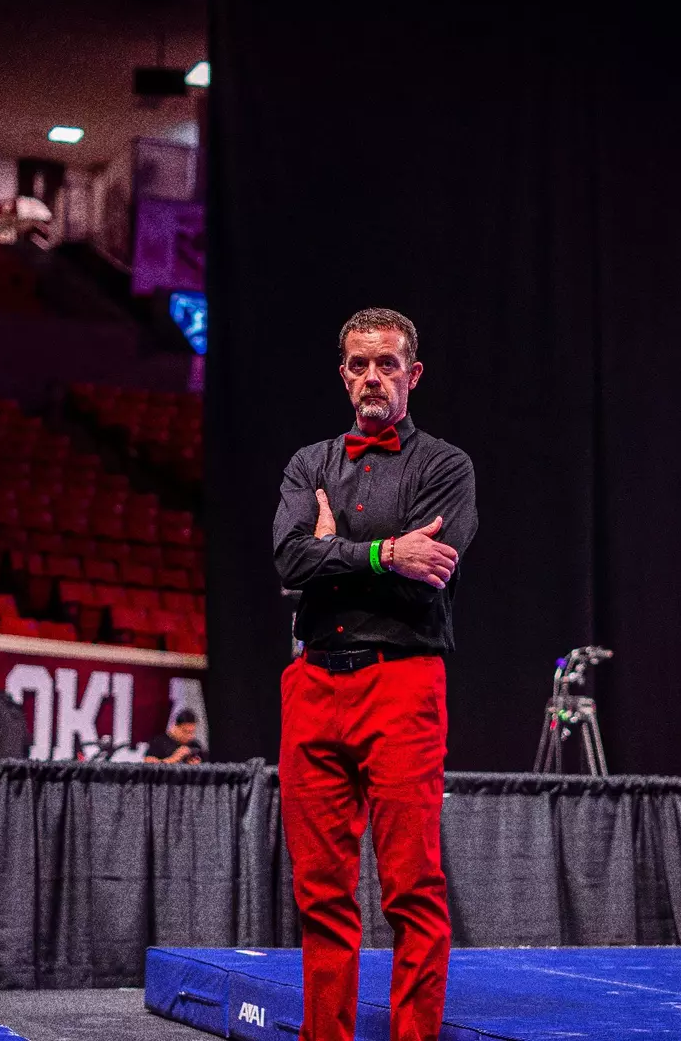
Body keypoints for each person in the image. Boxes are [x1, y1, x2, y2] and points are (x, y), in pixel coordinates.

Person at [273, 307, 476, 1041]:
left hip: (402, 682)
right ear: (342, 374)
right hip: (313, 684)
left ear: (412, 374)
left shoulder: (446, 467)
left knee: (411, 887)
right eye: (358, 364)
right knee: (320, 892)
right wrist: (384, 554)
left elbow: (432, 572)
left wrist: (337, 550)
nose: (371, 377)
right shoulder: (308, 464)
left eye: (386, 364)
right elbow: (289, 561)